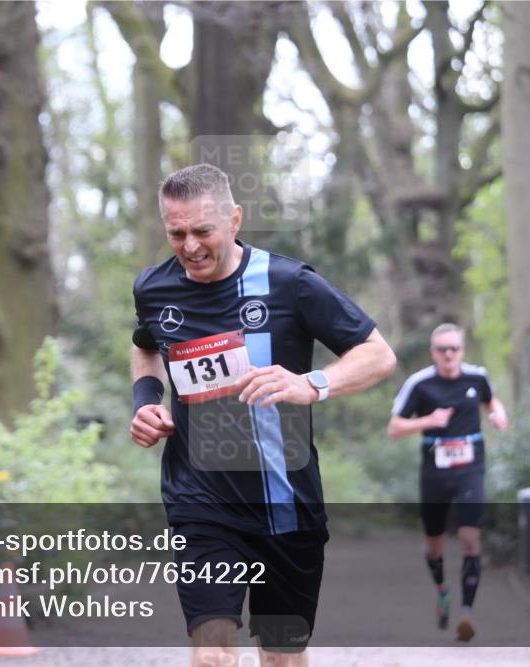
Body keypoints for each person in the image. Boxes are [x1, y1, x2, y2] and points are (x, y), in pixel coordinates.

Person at [130, 163, 396, 666]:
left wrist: (311, 384)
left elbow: (377, 354)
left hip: (286, 502)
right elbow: (145, 347)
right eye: (176, 233)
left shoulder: (290, 283)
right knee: (213, 649)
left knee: (280, 656)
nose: (189, 247)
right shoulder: (154, 289)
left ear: (234, 220)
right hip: (200, 499)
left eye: (202, 231)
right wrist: (146, 400)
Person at [387, 323, 509, 642]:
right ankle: (443, 590)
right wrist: (429, 421)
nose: (449, 355)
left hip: (471, 469)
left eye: (454, 348)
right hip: (435, 473)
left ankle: (467, 613)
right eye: (442, 349)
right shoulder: (420, 384)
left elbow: (492, 401)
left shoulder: (477, 377)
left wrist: (498, 415)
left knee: (470, 539)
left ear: (462, 351)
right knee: (434, 545)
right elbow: (394, 428)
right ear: (433, 353)